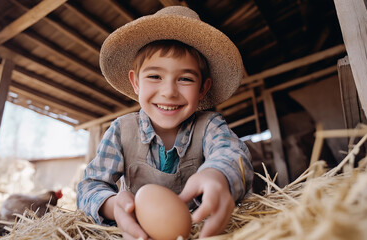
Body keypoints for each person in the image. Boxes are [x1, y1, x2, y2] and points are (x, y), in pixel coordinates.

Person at [77, 6, 253, 239]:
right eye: (154, 76)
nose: (169, 92)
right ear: (136, 83)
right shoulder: (121, 131)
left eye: (185, 79)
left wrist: (218, 175)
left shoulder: (210, 126)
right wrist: (113, 204)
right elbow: (90, 185)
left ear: (203, 89)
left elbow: (232, 154)